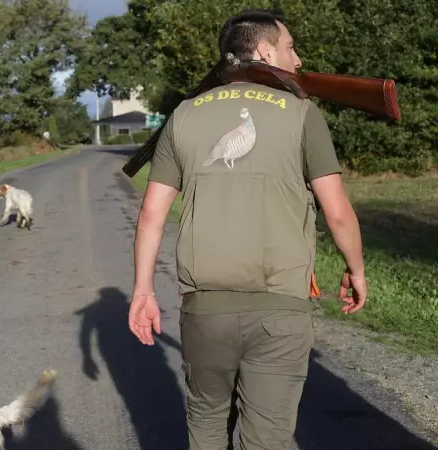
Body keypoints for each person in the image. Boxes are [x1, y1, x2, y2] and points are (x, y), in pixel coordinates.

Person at [128, 8, 367, 450]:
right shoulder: (302, 113)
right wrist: (356, 269)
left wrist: (143, 290)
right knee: (268, 438)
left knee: (205, 427)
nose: (297, 60)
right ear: (263, 50)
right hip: (280, 307)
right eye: (290, 48)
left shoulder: (183, 115)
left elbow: (151, 215)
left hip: (205, 309)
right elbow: (337, 211)